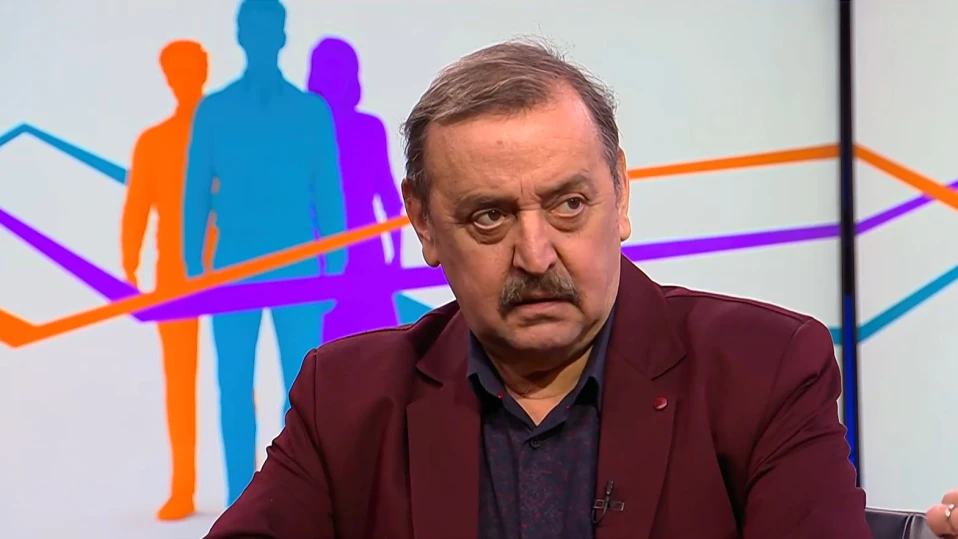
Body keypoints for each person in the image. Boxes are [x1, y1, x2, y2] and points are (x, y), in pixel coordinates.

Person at [204, 39, 870, 538]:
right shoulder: (347, 398)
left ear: (620, 194)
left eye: (569, 205)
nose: (535, 254)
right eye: (488, 217)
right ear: (425, 225)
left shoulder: (764, 369)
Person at [181, 0, 346, 506]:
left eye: (267, 30)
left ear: (281, 37)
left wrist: (335, 268)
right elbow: (195, 192)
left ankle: (293, 497)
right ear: (240, 37)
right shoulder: (214, 111)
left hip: (297, 266)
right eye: (250, 30)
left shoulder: (311, 112)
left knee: (302, 389)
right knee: (234, 386)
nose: (259, 40)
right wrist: (193, 269)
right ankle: (241, 501)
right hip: (233, 266)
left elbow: (329, 191)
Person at [120, 39, 211, 521]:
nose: (183, 79)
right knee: (181, 384)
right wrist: (129, 261)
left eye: (190, 69)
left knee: (241, 380)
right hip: (173, 276)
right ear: (167, 77)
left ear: (203, 71)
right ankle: (183, 488)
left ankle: (253, 485)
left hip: (233, 272)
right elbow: (138, 204)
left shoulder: (225, 135)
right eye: (176, 72)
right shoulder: (154, 142)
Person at [306, 36, 405, 341]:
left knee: (380, 345)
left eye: (341, 68)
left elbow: (389, 198)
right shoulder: (303, 133)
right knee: (331, 350)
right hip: (319, 254)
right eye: (327, 68)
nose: (334, 76)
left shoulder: (369, 128)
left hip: (366, 252)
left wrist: (396, 258)